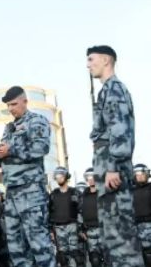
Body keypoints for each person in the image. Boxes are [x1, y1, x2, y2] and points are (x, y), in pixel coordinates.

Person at [87, 45, 144, 266]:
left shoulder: (114, 89)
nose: (88, 64)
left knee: (122, 236)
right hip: (106, 171)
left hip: (113, 172)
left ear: (105, 60)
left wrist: (112, 166)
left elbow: (119, 129)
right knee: (112, 235)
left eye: (92, 60)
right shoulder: (107, 90)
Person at [0, 86, 54, 267]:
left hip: (31, 191)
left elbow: (41, 148)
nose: (11, 109)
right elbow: (3, 160)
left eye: (13, 104)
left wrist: (11, 150)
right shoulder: (9, 128)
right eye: (8, 106)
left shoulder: (37, 121)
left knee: (39, 245)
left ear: (25, 101)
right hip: (11, 192)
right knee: (16, 246)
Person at [49, 166, 82, 267]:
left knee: (76, 255)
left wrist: (81, 228)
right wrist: (50, 230)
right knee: (62, 257)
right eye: (57, 176)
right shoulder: (53, 194)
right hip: (58, 228)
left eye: (61, 175)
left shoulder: (75, 192)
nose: (58, 177)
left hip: (72, 226)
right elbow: (49, 212)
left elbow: (81, 210)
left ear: (66, 176)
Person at [80, 168, 104, 267]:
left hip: (104, 230)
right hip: (90, 231)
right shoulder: (83, 196)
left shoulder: (103, 193)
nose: (91, 179)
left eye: (93, 177)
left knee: (108, 258)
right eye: (88, 177)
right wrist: (80, 229)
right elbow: (79, 213)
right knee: (94, 260)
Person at [134, 163, 151, 266]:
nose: (140, 176)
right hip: (134, 227)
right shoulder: (130, 191)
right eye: (137, 174)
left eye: (142, 173)